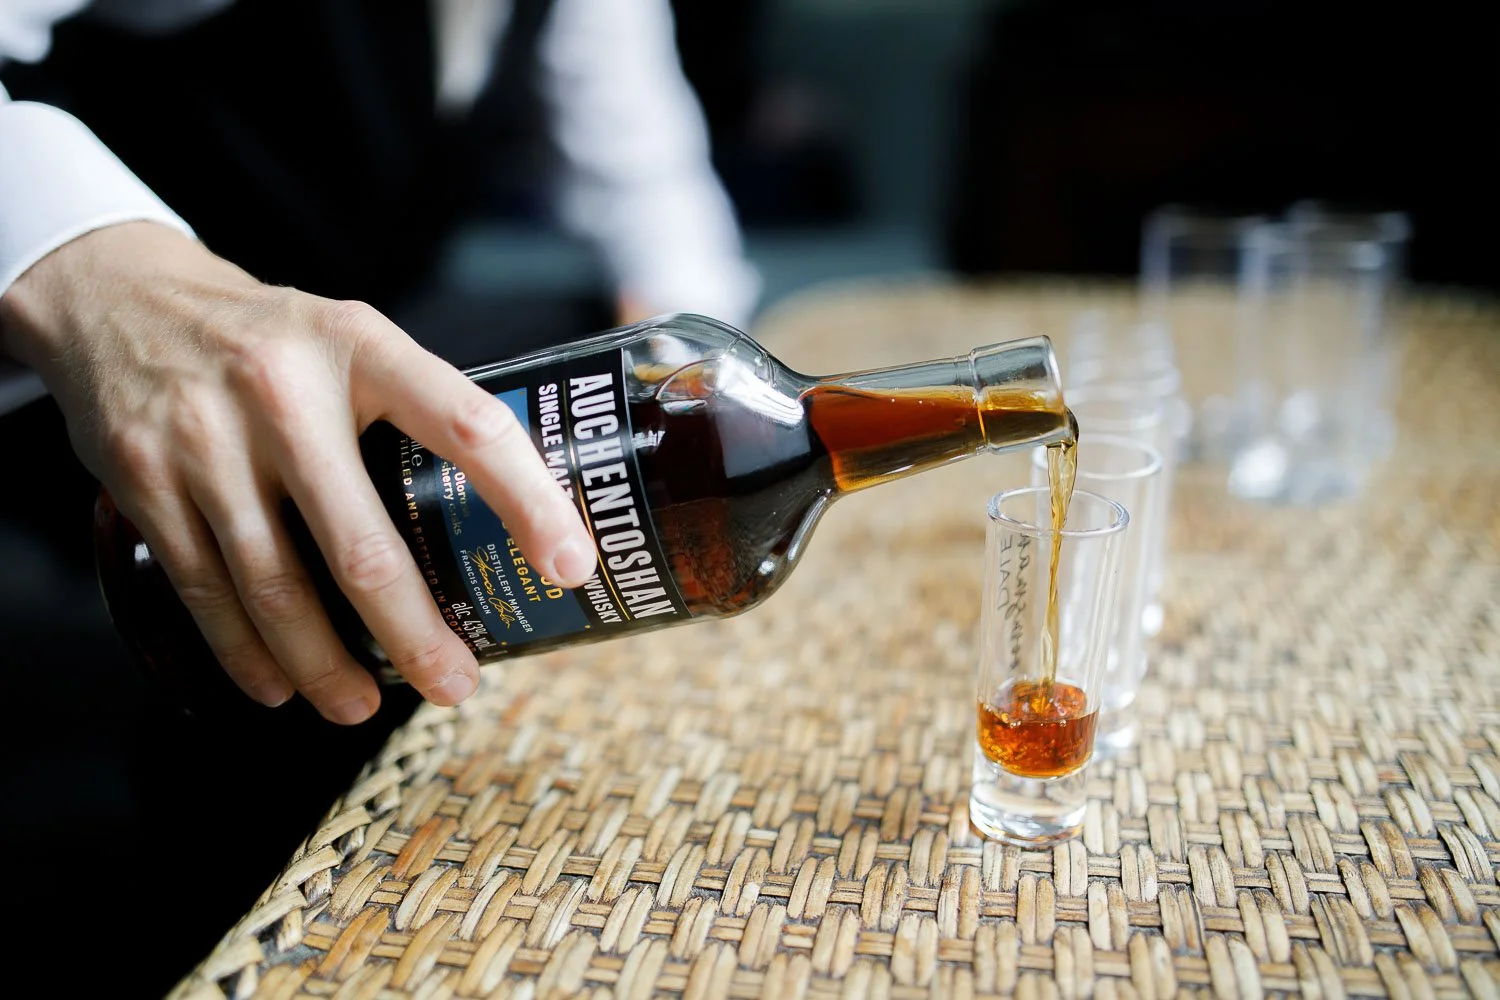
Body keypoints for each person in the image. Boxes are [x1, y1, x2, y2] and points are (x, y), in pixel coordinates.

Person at [0, 0, 760, 727]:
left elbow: (648, 185)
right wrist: (93, 273)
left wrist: (671, 379)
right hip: (91, 399)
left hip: (379, 321)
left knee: (582, 334)